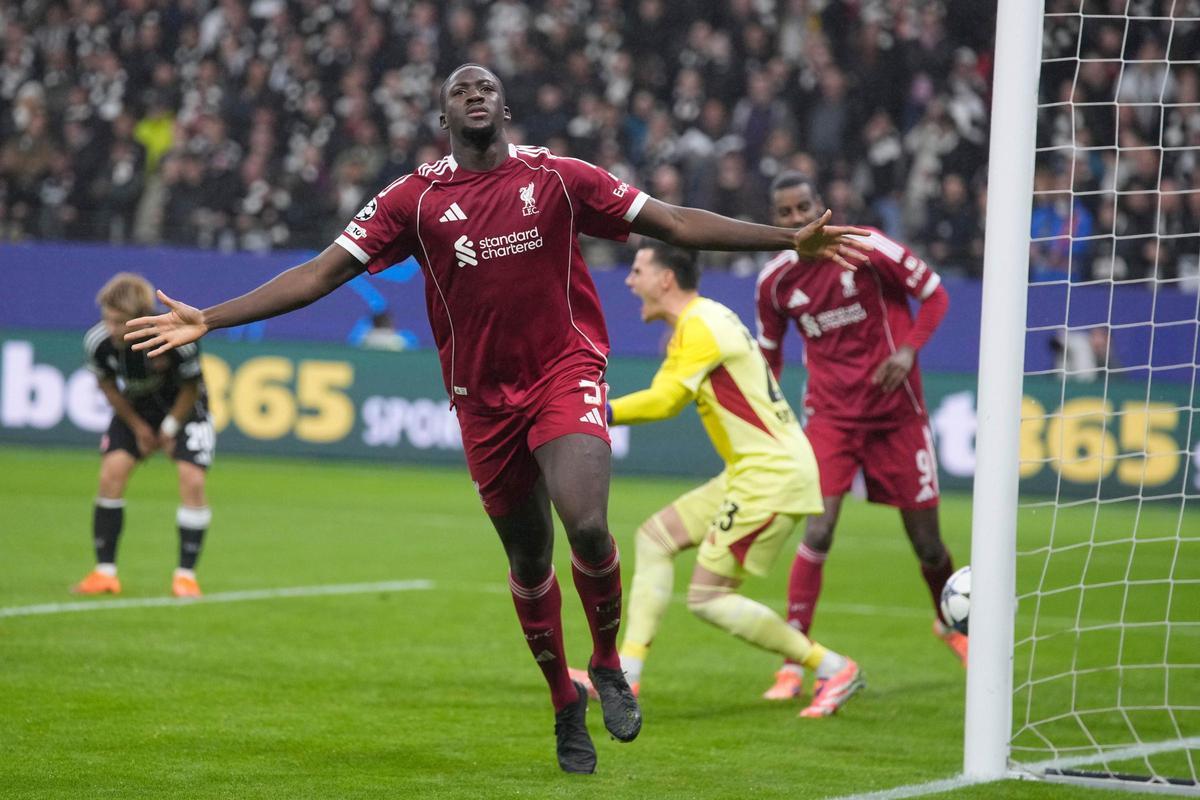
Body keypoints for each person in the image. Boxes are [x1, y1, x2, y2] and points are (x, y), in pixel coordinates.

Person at [125, 65, 872, 774]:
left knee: (587, 524)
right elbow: (322, 272)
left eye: (488, 86)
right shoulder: (412, 199)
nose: (476, 92)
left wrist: (786, 240)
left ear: (504, 109)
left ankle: (607, 661)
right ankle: (563, 701)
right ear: (443, 115)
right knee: (527, 560)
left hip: (564, 373)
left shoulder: (558, 177)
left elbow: (672, 221)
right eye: (461, 88)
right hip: (481, 400)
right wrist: (212, 319)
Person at [568, 244, 864, 718]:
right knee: (655, 538)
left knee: (708, 597)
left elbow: (665, 401)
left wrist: (597, 413)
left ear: (666, 279)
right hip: (752, 471)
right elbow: (670, 391)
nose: (629, 280)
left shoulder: (700, 325)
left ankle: (831, 666)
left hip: (771, 476)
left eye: (638, 270)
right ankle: (627, 672)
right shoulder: (702, 321)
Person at [754, 172, 964, 702]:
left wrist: (910, 349)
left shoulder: (866, 245)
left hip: (898, 413)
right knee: (818, 530)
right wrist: (765, 416)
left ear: (822, 206)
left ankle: (953, 624)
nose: (798, 218)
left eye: (805, 206)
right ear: (773, 219)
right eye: (786, 212)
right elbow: (770, 356)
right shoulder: (775, 282)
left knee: (927, 541)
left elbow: (934, 294)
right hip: (831, 417)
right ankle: (794, 657)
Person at [72, 272, 214, 599]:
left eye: (119, 321)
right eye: (107, 319)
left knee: (192, 480)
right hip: (136, 411)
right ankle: (104, 573)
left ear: (140, 318)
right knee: (111, 474)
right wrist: (138, 428)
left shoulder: (176, 339)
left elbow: (191, 388)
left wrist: (167, 431)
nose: (111, 328)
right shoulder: (99, 342)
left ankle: (185, 577)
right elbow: (107, 385)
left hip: (186, 410)